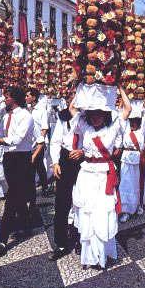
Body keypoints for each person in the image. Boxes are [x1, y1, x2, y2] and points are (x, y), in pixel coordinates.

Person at [71, 86, 131, 270]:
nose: (96, 117)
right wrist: (82, 87)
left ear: (105, 115)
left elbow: (127, 109)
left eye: (100, 114)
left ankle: (104, 253)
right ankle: (89, 256)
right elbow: (73, 108)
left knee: (102, 213)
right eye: (93, 114)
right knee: (87, 212)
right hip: (86, 174)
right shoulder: (85, 127)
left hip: (104, 174)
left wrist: (118, 87)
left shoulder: (113, 127)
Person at [0, 86, 34, 254]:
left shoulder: (26, 116)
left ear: (15, 99)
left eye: (7, 97)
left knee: (11, 196)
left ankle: (2, 240)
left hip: (21, 157)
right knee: (16, 193)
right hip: (9, 158)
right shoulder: (4, 114)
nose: (4, 100)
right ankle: (26, 224)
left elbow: (16, 140)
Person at [49, 107, 82, 260]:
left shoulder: (92, 115)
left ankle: (82, 238)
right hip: (65, 159)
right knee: (62, 203)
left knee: (83, 201)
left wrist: (83, 151)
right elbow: (55, 140)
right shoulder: (63, 116)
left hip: (84, 159)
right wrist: (55, 162)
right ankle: (61, 243)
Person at [119, 105, 145, 223]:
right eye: (131, 121)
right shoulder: (125, 130)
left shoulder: (142, 131)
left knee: (138, 183)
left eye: (136, 121)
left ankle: (138, 205)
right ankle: (125, 210)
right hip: (126, 160)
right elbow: (121, 119)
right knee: (125, 185)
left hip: (138, 161)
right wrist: (121, 107)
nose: (133, 124)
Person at [26, 88, 49, 219]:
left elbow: (44, 128)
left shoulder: (41, 111)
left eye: (28, 95)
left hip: (38, 144)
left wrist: (40, 142)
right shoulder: (26, 110)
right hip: (28, 144)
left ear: (34, 97)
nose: (26, 97)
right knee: (37, 166)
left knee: (35, 167)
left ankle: (33, 200)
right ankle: (41, 187)